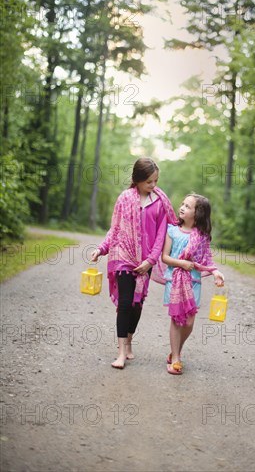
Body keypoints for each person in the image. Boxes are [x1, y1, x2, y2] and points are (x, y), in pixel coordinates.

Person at [91, 157, 176, 370]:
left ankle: (129, 340)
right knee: (125, 303)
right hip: (123, 256)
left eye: (155, 181)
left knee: (137, 304)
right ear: (137, 180)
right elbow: (115, 229)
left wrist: (150, 261)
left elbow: (160, 236)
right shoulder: (125, 199)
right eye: (149, 182)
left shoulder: (159, 202)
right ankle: (120, 353)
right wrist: (101, 249)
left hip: (145, 260)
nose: (153, 186)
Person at [161, 193, 225, 375]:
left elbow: (208, 259)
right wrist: (181, 263)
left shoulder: (202, 236)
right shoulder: (172, 230)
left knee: (189, 321)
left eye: (188, 206)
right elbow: (165, 257)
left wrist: (216, 272)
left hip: (193, 282)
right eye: (182, 204)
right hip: (174, 280)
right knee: (176, 319)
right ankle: (175, 358)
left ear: (198, 214)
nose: (181, 207)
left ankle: (176, 351)